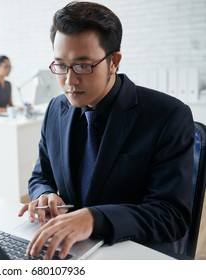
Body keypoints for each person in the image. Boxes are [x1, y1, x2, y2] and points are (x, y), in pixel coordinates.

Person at [18, 1, 194, 260]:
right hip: (66, 250)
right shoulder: (56, 109)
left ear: (114, 61)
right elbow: (40, 175)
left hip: (130, 255)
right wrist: (45, 194)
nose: (69, 81)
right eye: (61, 66)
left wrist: (95, 218)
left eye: (82, 66)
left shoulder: (168, 116)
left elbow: (171, 216)